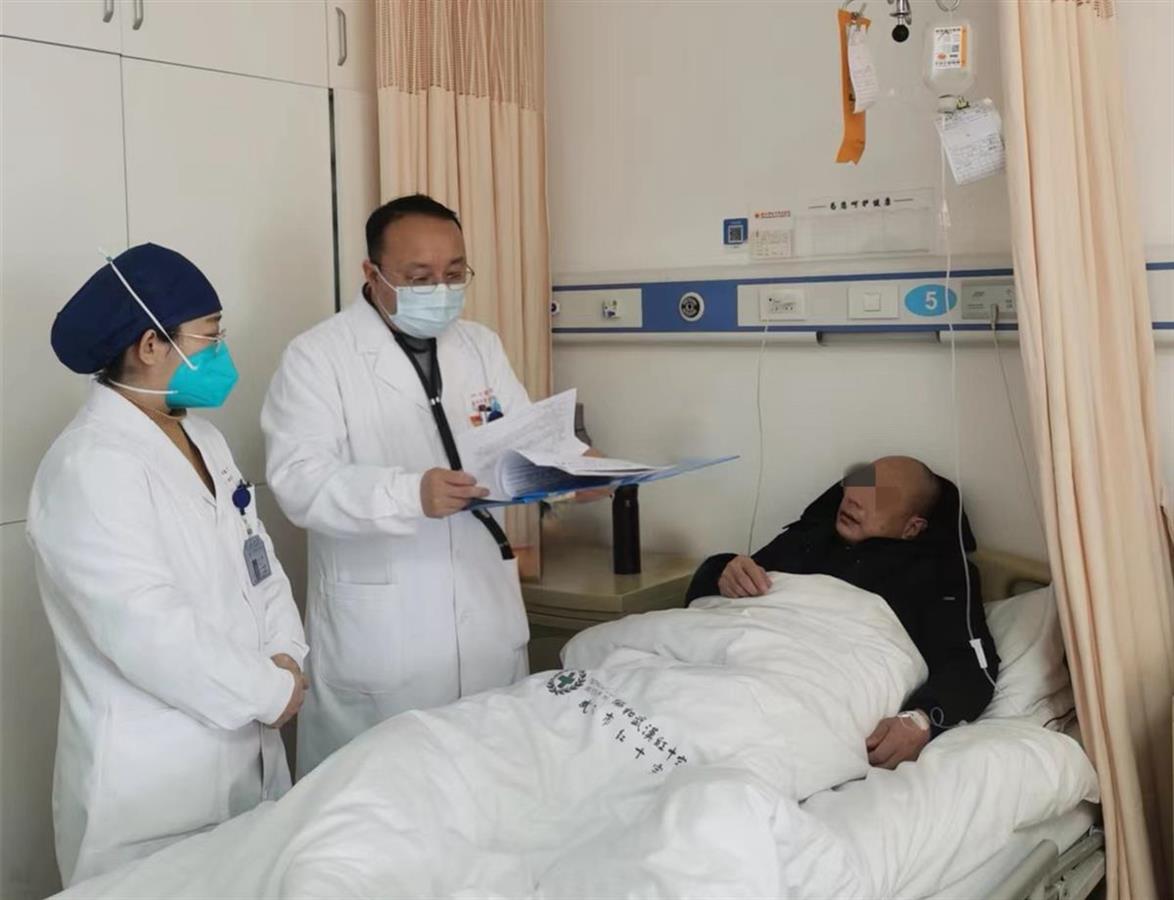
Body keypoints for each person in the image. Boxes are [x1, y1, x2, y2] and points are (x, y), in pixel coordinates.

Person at [264, 194, 577, 775]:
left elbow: (521, 441)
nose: (441, 289)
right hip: (386, 638)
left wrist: (572, 471)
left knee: (493, 791)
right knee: (383, 799)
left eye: (454, 273)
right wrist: (409, 494)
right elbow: (298, 483)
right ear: (372, 273)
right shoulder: (318, 357)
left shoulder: (479, 345)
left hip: (484, 618)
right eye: (420, 277)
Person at [27, 244, 308, 886]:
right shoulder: (89, 465)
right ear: (152, 345)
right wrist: (267, 691)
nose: (222, 353)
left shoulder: (204, 438)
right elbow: (146, 629)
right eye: (210, 337)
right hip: (153, 788)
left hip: (249, 748)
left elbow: (260, 566)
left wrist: (287, 656)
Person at [686, 455, 999, 770]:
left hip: (806, 684)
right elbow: (723, 590)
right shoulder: (807, 538)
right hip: (718, 653)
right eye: (859, 483)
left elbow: (972, 666)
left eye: (879, 496)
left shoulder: (939, 574)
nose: (854, 498)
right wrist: (723, 569)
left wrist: (922, 719)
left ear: (912, 527)